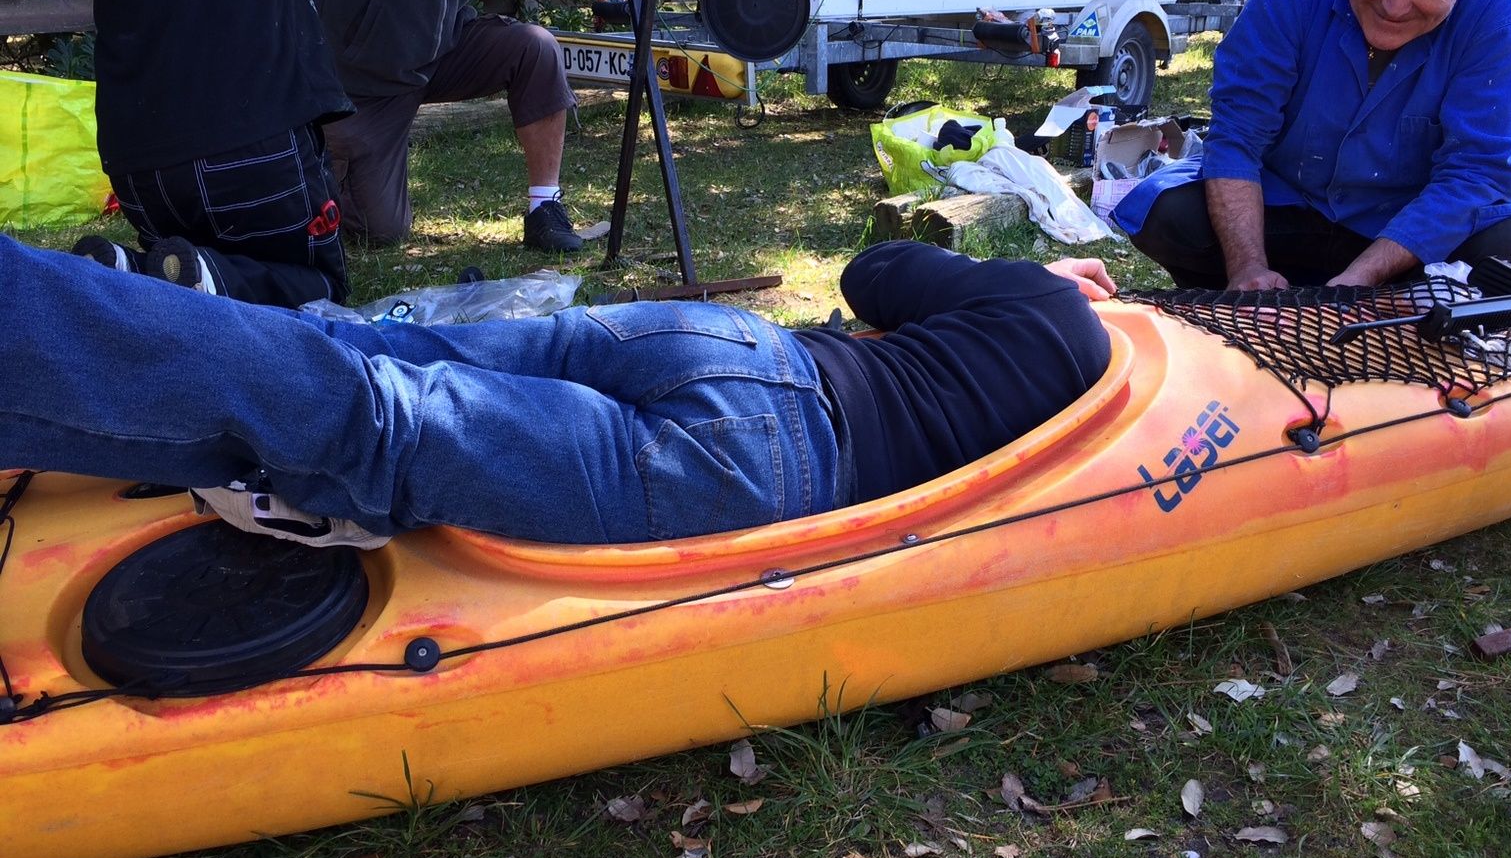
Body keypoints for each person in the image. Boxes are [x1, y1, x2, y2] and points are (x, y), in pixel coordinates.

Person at [0, 236, 1113, 547]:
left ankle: (177, 317)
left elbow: (875, 273)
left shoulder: (1048, 302)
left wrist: (1023, 273)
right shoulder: (1100, 369)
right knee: (387, 422)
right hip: (775, 460)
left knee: (400, 352)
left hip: (736, 346)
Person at [1114, 0, 1511, 291]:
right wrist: (1247, 266)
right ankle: (1248, 296)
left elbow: (1474, 173)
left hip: (1407, 226)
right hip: (1289, 205)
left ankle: (1380, 299)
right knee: (1168, 214)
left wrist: (1361, 277)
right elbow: (1237, 138)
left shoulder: (1499, 13)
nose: (1396, 6)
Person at [67, 0, 353, 307]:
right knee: (321, 285)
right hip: (251, 130)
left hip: (136, 159)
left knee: (182, 258)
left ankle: (134, 273)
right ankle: (209, 278)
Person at [308, 0, 582, 251]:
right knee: (379, 231)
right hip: (366, 78)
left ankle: (545, 206)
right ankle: (313, 159)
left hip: (444, 46)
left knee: (536, 48)